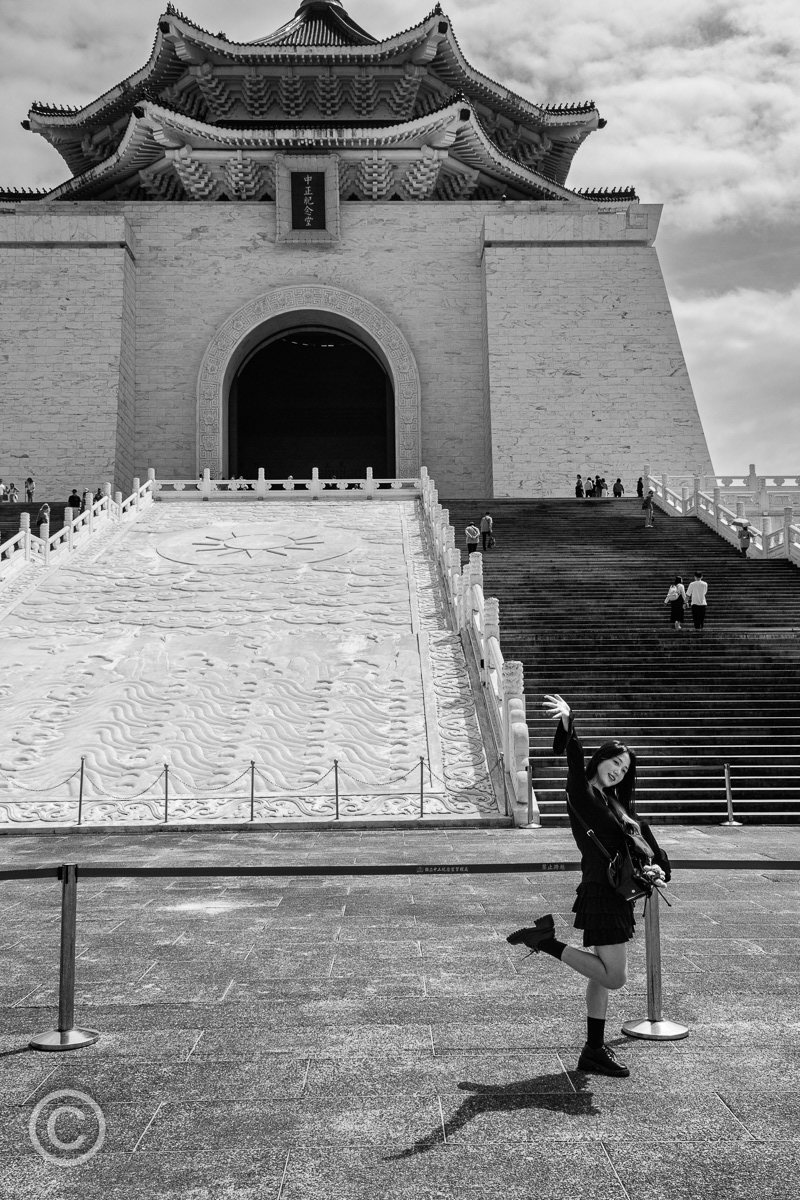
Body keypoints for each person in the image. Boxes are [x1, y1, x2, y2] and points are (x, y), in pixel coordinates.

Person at [507, 694, 670, 1078]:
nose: (618, 770)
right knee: (614, 977)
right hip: (601, 894)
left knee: (601, 975)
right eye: (614, 762)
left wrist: (659, 870)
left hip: (616, 894)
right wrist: (569, 722)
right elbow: (573, 758)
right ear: (600, 760)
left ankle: (593, 1051)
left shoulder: (617, 804)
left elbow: (647, 844)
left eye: (624, 768)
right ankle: (544, 941)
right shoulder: (582, 791)